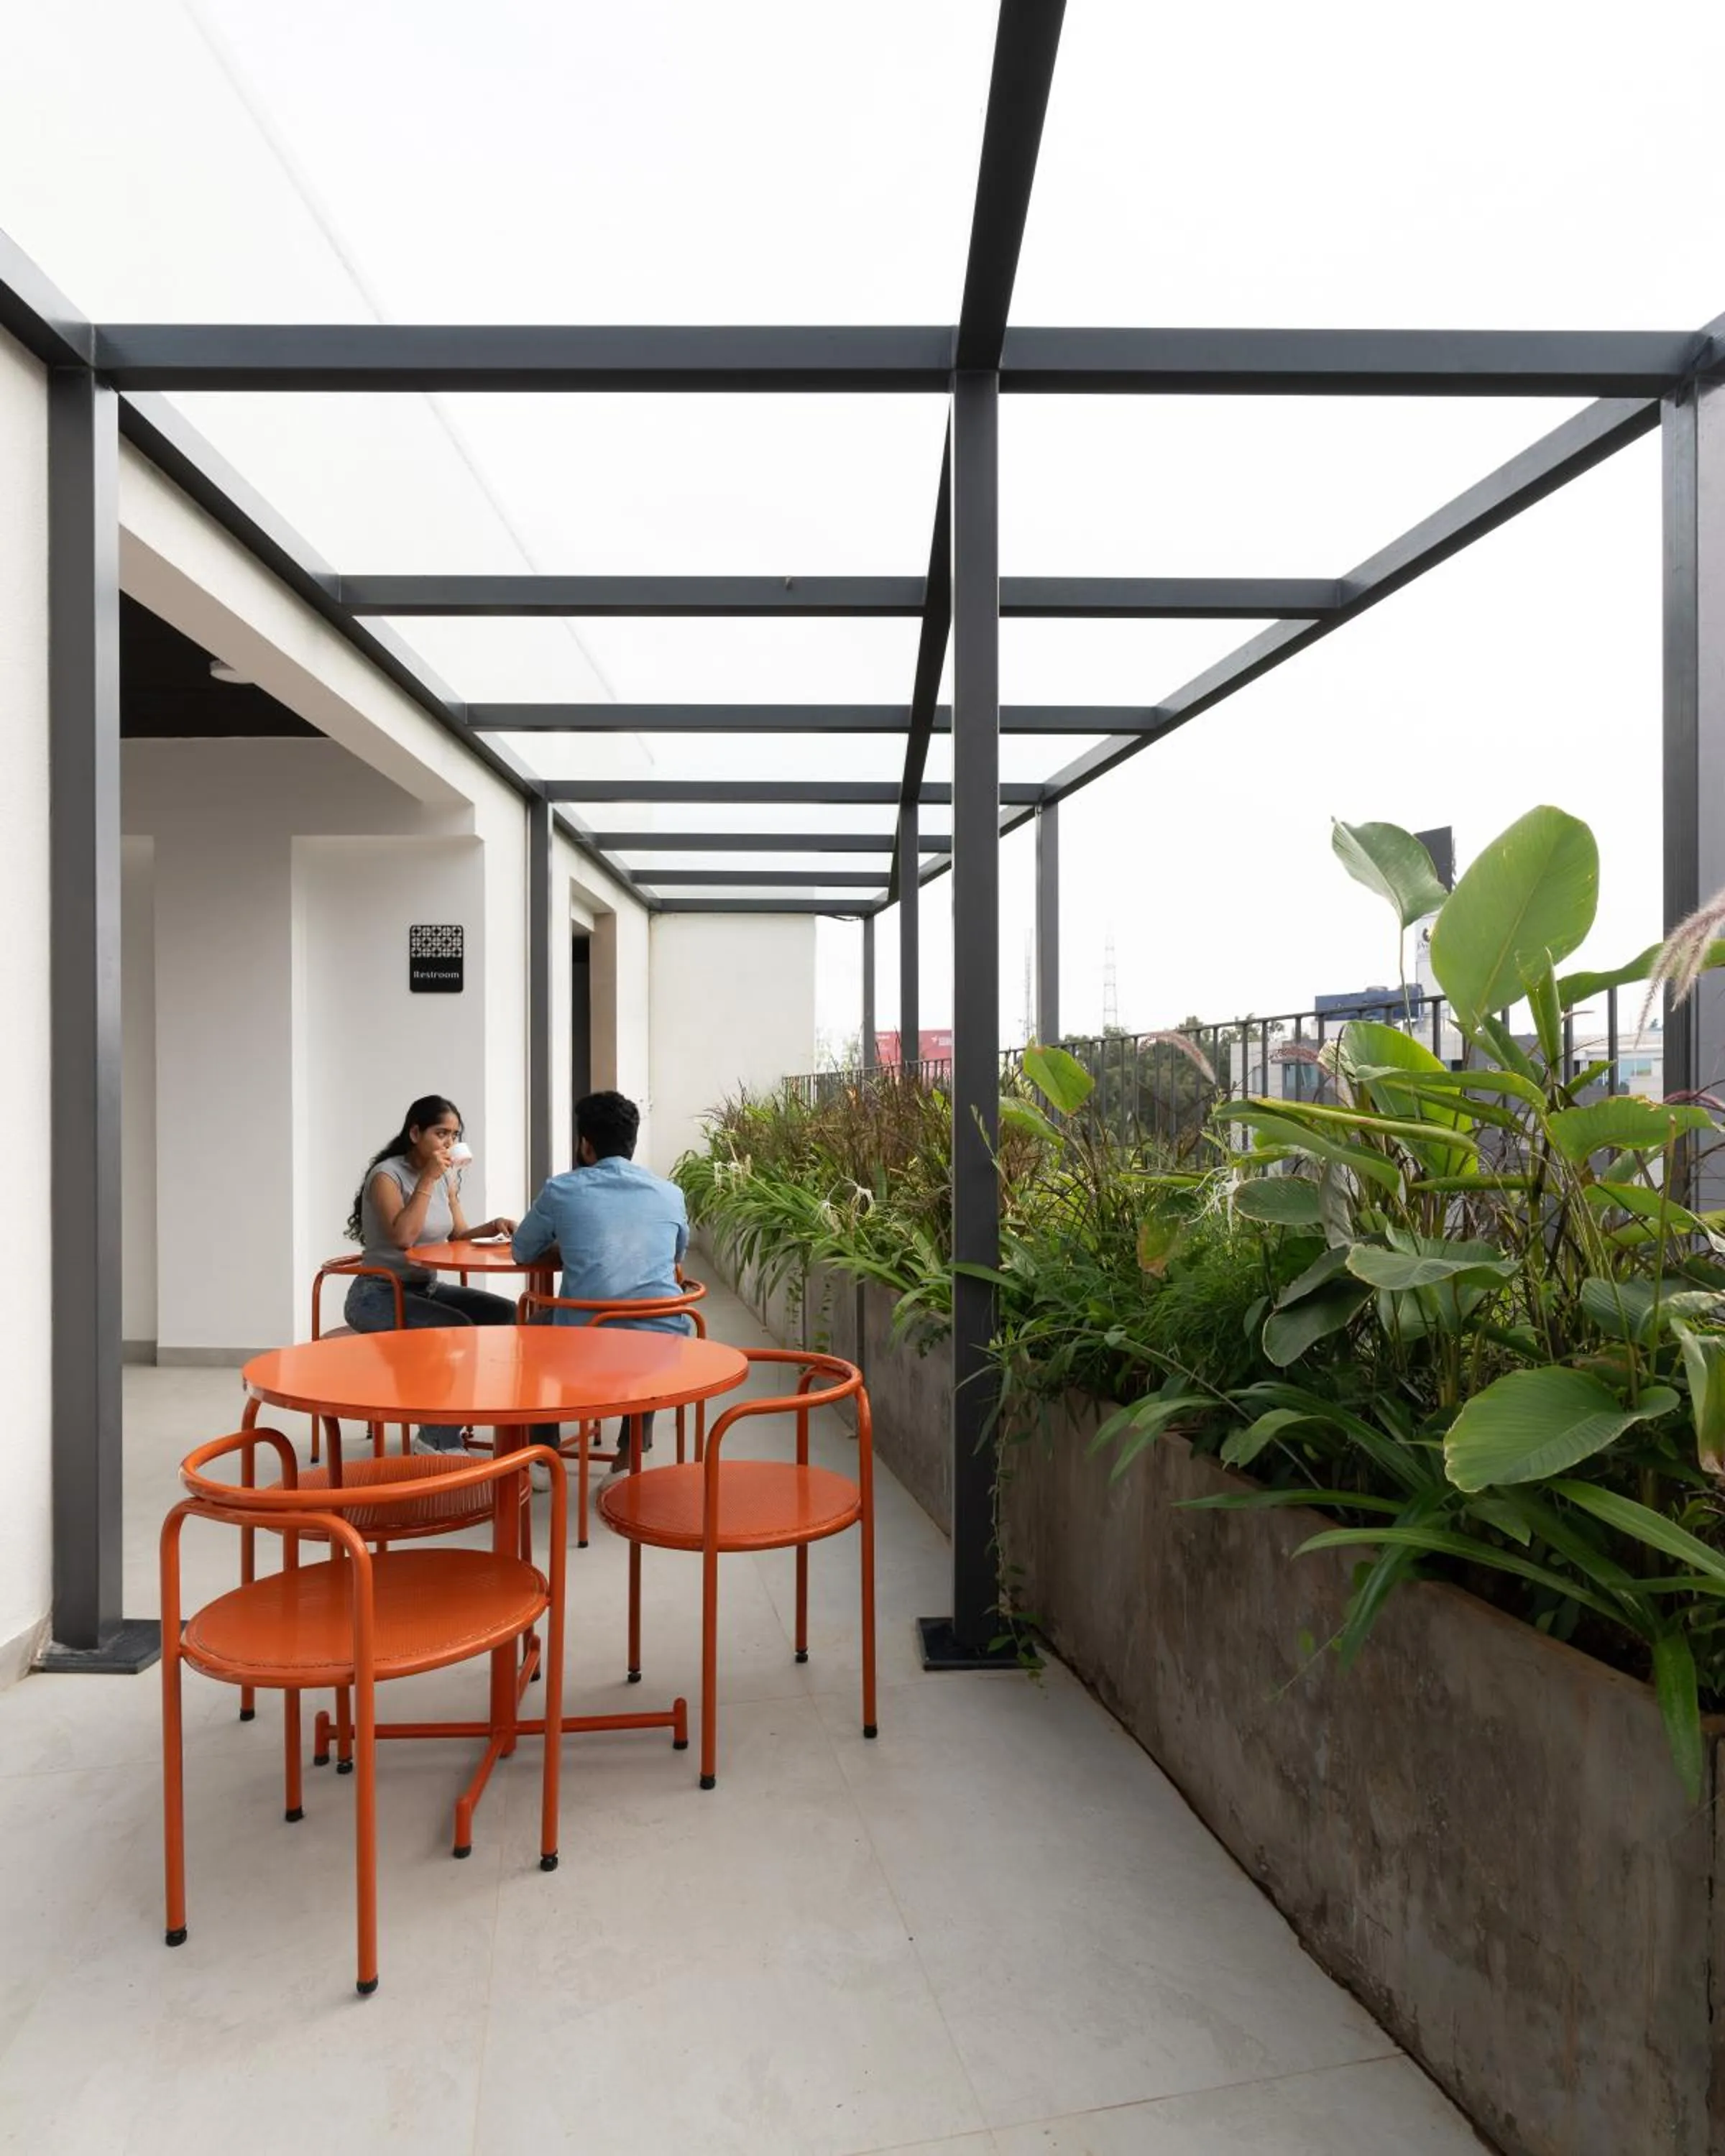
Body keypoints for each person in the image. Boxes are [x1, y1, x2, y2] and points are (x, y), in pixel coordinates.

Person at [512, 1090, 690, 1474]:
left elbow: (522, 1251)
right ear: (633, 1141)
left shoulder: (562, 1189)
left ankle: (543, 1452)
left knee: (531, 1333)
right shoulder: (670, 1193)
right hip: (667, 1341)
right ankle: (630, 1453)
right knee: (645, 1324)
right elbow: (674, 1256)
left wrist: (570, 1244)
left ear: (585, 1145)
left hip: (587, 1340)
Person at [345, 1093, 518, 1455]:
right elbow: (404, 1237)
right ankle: (436, 1439)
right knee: (453, 1330)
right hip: (377, 1294)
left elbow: (457, 1234)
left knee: (507, 1314)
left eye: (454, 1136)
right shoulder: (387, 1176)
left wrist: (493, 1226)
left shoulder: (443, 1179)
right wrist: (427, 1179)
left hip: (425, 1288)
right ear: (415, 1133)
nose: (449, 1143)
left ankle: (494, 1421)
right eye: (441, 1134)